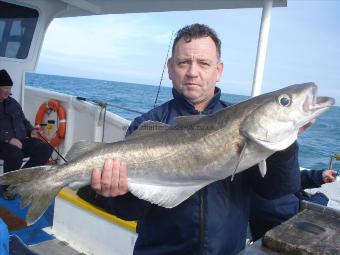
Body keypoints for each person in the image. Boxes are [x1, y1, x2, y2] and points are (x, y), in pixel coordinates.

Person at [77, 24, 301, 255]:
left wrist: (285, 145)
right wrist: (119, 193)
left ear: (219, 70)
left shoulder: (244, 123)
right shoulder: (147, 125)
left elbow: (275, 191)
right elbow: (129, 212)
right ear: (171, 68)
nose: (193, 72)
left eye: (204, 63)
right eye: (184, 63)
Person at [0, 69, 53, 200]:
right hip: (3, 144)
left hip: (20, 140)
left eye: (9, 89)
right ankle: (7, 187)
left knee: (45, 148)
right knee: (15, 153)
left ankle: (22, 180)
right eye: (5, 89)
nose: (8, 92)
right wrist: (8, 139)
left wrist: (31, 131)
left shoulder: (14, 103)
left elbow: (24, 121)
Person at [249, 167, 337, 241]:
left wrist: (320, 176)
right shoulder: (262, 196)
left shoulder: (258, 174)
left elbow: (288, 181)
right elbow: (299, 212)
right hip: (285, 236)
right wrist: (321, 198)